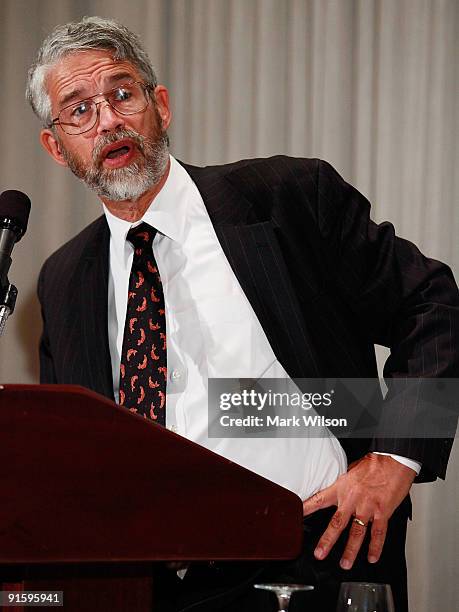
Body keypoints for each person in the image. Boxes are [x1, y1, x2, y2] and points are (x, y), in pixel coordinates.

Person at [26, 16, 459, 612]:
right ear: (56, 147)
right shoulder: (64, 278)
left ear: (161, 106)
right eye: (79, 110)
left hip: (310, 558)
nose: (108, 120)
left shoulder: (286, 197)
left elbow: (432, 302)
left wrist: (397, 456)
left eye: (122, 94)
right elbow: (75, 451)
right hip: (143, 584)